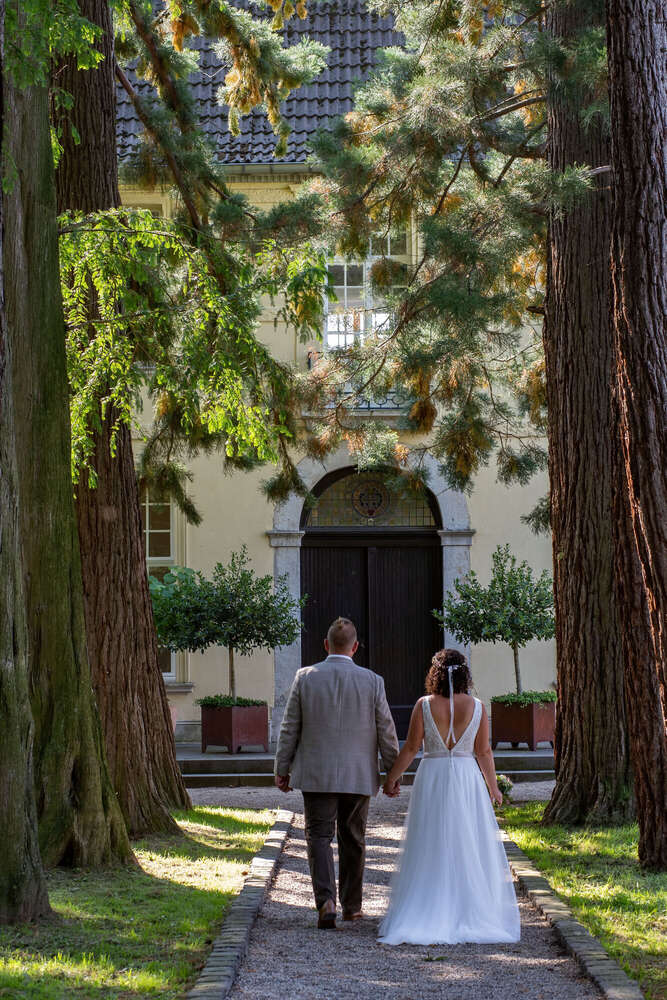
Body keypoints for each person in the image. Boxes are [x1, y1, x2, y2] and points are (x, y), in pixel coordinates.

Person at [378, 648, 521, 945]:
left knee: (430, 838)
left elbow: (411, 748)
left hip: (433, 776)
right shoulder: (478, 706)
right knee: (467, 839)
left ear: (436, 673)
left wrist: (391, 777)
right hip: (467, 777)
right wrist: (492, 787)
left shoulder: (424, 705)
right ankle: (468, 907)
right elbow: (483, 751)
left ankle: (429, 905)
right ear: (465, 673)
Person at [274, 617, 399, 929]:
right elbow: (386, 730)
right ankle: (353, 906)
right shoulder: (373, 681)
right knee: (353, 836)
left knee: (318, 835)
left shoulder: (305, 677)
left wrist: (282, 767)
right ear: (355, 647)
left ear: (326, 645)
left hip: (317, 772)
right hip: (358, 773)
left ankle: (326, 900)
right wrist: (392, 772)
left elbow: (290, 727)